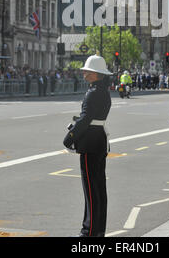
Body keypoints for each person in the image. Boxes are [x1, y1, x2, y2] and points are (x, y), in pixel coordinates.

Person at [63, 54, 112, 237]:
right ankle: (98, 229)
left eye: (87, 70)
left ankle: (89, 230)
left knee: (91, 188)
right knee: (99, 187)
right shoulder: (104, 91)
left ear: (95, 74)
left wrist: (69, 137)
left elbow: (84, 119)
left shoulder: (93, 93)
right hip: (99, 140)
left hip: (90, 142)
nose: (84, 72)